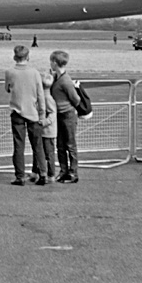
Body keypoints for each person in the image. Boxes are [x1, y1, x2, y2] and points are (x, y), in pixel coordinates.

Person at [5, 44, 47, 186]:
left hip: (17, 112)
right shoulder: (35, 73)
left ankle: (20, 176)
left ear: (15, 57)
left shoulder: (10, 72)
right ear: (28, 57)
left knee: (18, 145)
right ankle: (42, 173)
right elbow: (41, 95)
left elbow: (7, 88)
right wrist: (42, 114)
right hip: (33, 112)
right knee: (37, 145)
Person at [49, 50, 81, 183]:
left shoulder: (65, 81)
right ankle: (63, 171)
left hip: (67, 114)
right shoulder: (57, 78)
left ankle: (73, 173)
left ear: (55, 63)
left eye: (51, 61)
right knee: (61, 145)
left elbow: (76, 99)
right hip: (59, 114)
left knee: (70, 144)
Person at [40, 72, 59, 182]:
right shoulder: (45, 97)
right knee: (45, 152)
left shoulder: (48, 98)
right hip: (45, 131)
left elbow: (52, 114)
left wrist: (44, 122)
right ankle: (42, 172)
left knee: (49, 153)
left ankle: (51, 174)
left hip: (48, 131)